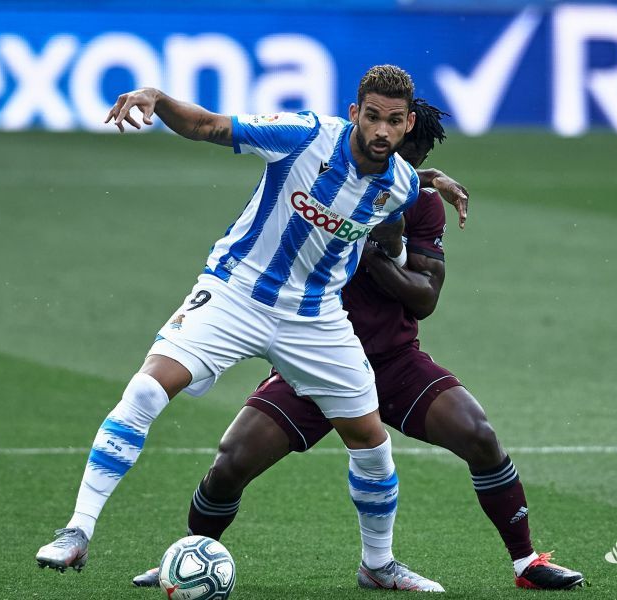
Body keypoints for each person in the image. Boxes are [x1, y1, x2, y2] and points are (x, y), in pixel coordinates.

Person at [35, 65, 470, 592]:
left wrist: (423, 192)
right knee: (147, 389)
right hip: (236, 293)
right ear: (354, 112)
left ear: (407, 125)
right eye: (372, 117)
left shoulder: (400, 184)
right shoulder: (304, 134)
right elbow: (208, 126)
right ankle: (77, 530)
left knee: (373, 445)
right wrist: (157, 98)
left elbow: (392, 202)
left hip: (315, 317)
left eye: (393, 121)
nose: (381, 130)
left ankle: (377, 566)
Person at [132, 100, 584, 591]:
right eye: (398, 153)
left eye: (413, 159)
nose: (397, 163)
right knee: (231, 462)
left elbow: (426, 297)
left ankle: (526, 562)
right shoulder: (327, 182)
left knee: (479, 434)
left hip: (392, 361)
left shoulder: (420, 204)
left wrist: (373, 250)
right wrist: (360, 232)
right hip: (311, 360)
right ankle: (187, 559)